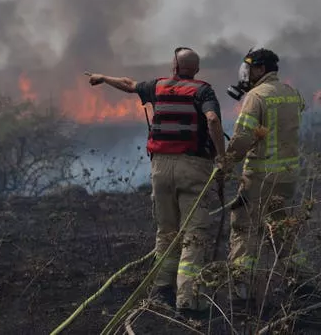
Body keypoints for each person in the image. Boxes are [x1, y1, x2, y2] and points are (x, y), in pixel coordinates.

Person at [85, 47, 225, 317]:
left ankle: (161, 291)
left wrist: (103, 77)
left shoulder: (158, 87)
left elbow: (128, 84)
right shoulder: (202, 90)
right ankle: (188, 298)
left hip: (160, 168)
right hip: (192, 167)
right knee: (194, 233)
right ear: (195, 70)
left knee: (166, 232)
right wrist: (222, 157)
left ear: (174, 66)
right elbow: (213, 119)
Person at [217, 47, 306, 308]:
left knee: (245, 230)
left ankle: (242, 292)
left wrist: (226, 164)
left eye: (249, 68)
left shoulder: (256, 97)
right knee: (281, 228)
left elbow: (243, 136)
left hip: (259, 176)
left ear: (259, 69)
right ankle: (302, 280)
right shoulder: (292, 93)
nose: (245, 74)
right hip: (287, 175)